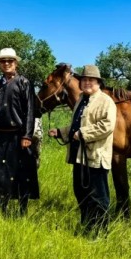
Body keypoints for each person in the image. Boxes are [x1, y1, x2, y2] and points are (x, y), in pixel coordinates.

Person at [48, 65, 116, 236]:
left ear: (98, 82)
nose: (87, 83)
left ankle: (100, 232)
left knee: (98, 197)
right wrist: (61, 132)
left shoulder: (106, 101)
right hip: (79, 156)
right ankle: (87, 227)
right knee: (81, 193)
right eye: (84, 79)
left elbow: (107, 126)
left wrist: (84, 134)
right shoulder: (81, 100)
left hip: (95, 157)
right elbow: (76, 125)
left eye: (91, 80)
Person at [0, 47, 39, 214]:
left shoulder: (24, 82)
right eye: (3, 61)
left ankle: (22, 208)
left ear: (16, 63)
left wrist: (27, 135)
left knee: (20, 172)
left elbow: (30, 110)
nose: (6, 63)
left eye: (10, 61)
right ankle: (2, 208)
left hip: (17, 135)